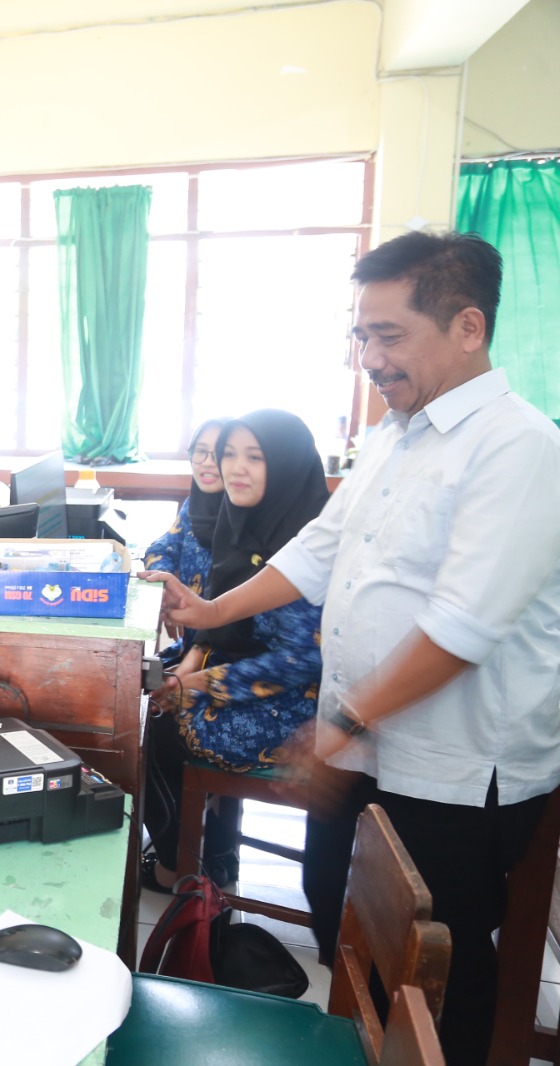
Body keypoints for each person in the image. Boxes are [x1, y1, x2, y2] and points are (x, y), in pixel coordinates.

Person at [145, 231, 560, 1065]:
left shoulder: (519, 447)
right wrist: (212, 606)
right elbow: (317, 551)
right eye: (360, 336)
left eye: (389, 335)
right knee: (343, 918)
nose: (368, 357)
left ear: (468, 326)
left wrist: (340, 723)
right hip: (371, 743)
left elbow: (462, 629)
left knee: (434, 977)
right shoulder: (395, 436)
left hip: (455, 770)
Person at [141, 409, 328, 893]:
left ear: (285, 466)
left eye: (255, 457)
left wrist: (197, 684)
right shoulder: (241, 519)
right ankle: (210, 855)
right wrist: (190, 673)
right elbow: (221, 622)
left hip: (295, 701)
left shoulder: (305, 544)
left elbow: (302, 660)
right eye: (229, 455)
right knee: (141, 691)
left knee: (152, 727)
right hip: (242, 671)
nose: (234, 468)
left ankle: (177, 869)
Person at [142, 418, 227, 659]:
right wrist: (169, 588)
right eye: (201, 452)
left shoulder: (253, 522)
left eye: (221, 453)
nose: (208, 463)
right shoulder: (195, 508)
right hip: (192, 649)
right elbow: (159, 550)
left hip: (225, 660)